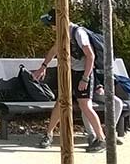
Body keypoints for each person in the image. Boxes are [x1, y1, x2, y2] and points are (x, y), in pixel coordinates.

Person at [32, 9, 106, 153]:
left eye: (52, 25)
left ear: (58, 23)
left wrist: (85, 78)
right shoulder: (63, 33)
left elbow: (90, 56)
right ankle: (48, 135)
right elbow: (54, 50)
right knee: (61, 102)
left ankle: (101, 139)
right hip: (71, 73)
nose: (51, 28)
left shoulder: (78, 33)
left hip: (84, 74)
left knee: (85, 106)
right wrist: (43, 67)